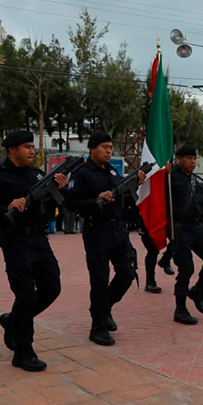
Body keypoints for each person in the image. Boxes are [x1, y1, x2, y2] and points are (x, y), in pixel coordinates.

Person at [0, 131, 68, 370]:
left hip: (40, 238)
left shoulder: (38, 174)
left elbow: (50, 209)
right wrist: (5, 207)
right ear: (12, 149)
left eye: (32, 146)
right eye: (27, 147)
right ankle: (23, 352)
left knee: (52, 287)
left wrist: (60, 190)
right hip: (15, 241)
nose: (32, 151)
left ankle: (13, 321)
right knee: (26, 294)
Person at [65, 132, 145, 347]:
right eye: (104, 146)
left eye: (111, 147)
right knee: (99, 280)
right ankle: (97, 327)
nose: (109, 150)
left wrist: (135, 184)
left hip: (118, 232)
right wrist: (95, 200)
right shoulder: (81, 173)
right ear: (92, 149)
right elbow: (71, 203)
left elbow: (124, 199)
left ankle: (104, 309)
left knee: (127, 274)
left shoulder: (112, 171)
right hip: (97, 232)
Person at [168, 145, 203, 325]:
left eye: (194, 158)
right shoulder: (169, 177)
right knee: (186, 269)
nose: (193, 161)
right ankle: (180, 309)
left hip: (197, 228)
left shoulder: (196, 181)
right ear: (179, 159)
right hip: (180, 229)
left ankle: (198, 290)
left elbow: (202, 201)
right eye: (189, 158)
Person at [137, 213, 173, 294]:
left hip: (164, 217)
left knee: (177, 239)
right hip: (148, 220)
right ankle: (150, 282)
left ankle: (165, 260)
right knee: (153, 251)